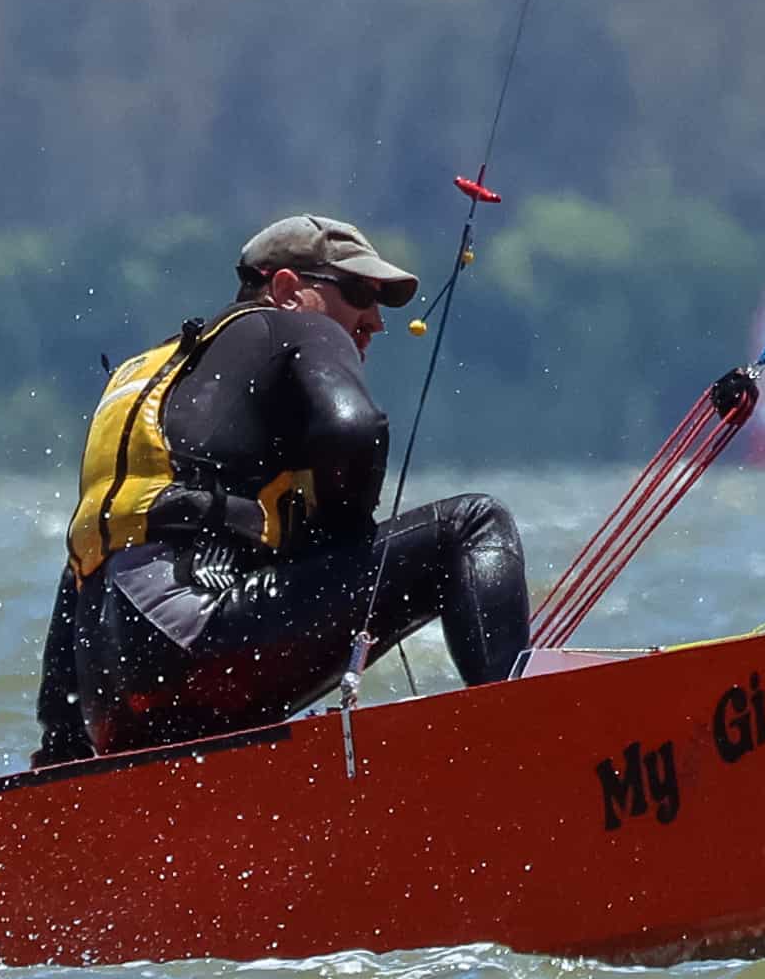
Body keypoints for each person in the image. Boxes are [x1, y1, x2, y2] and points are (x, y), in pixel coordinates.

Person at [29, 215, 530, 766]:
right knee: (472, 525)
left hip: (113, 699)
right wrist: (343, 541)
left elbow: (81, 573)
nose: (374, 321)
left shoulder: (152, 378)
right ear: (288, 289)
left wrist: (62, 753)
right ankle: (522, 745)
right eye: (358, 293)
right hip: (200, 650)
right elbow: (354, 429)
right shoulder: (298, 326)